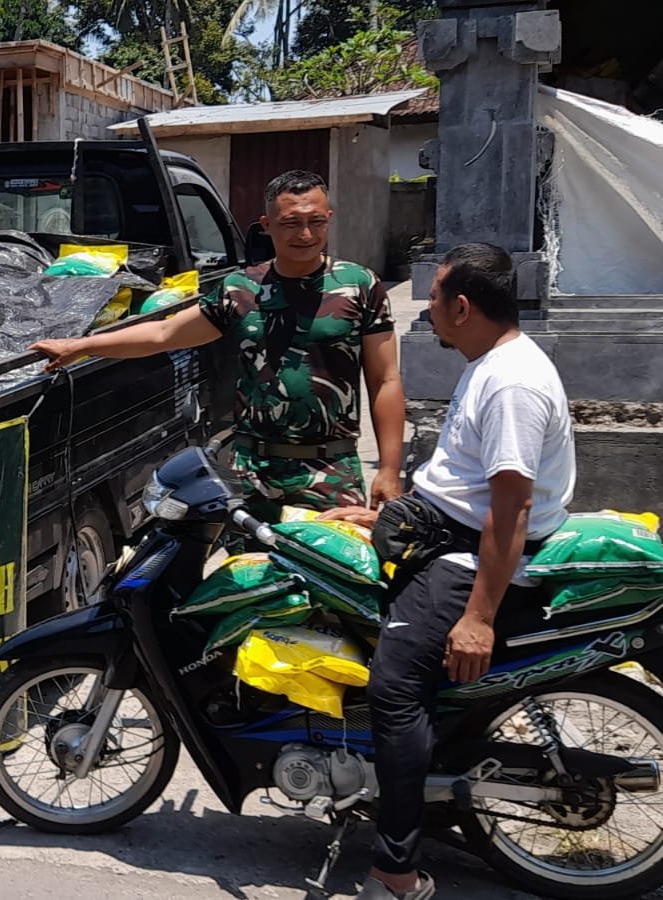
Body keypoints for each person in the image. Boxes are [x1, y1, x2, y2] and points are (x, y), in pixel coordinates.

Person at [321, 243, 575, 900]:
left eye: (433, 297)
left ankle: (395, 873)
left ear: (461, 307)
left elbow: (510, 508)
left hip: (468, 557)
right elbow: (463, 482)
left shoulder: (511, 383)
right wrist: (389, 514)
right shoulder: (489, 363)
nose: (427, 308)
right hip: (443, 531)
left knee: (393, 689)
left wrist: (478, 617)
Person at [31, 170, 405, 516]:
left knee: (332, 565)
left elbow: (385, 380)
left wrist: (389, 469)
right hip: (252, 471)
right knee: (247, 567)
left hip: (331, 471)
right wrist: (81, 346)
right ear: (267, 225)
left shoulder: (359, 286)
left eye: (316, 222)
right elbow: (164, 334)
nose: (305, 234)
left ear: (329, 219)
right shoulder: (240, 289)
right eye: (291, 223)